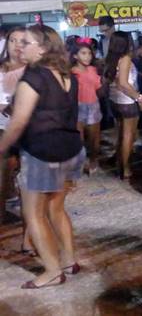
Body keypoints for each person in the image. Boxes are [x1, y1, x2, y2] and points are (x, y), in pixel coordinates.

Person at [0, 25, 84, 288]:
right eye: (18, 42)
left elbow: (18, 123)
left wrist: (1, 148)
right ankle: (69, 261)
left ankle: (52, 271)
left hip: (42, 152)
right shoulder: (66, 75)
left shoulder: (33, 78)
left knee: (33, 213)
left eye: (26, 42)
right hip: (70, 148)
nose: (20, 46)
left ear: (43, 48)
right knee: (56, 208)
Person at [104, 31, 142, 180]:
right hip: (127, 102)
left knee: (121, 134)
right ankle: (125, 168)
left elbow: (109, 80)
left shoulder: (111, 58)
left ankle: (120, 162)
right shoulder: (125, 58)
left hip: (115, 101)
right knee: (128, 135)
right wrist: (139, 97)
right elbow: (124, 83)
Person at [0, 28, 26, 226]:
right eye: (12, 40)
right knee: (4, 169)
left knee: (22, 171)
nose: (17, 45)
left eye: (22, 41)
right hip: (4, 127)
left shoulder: (32, 68)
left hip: (29, 128)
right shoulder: (2, 69)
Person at [70, 38, 102, 175]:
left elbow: (98, 88)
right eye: (83, 53)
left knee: (94, 139)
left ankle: (93, 160)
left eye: (89, 53)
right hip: (77, 107)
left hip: (93, 106)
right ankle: (80, 163)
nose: (87, 56)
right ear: (75, 56)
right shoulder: (71, 72)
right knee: (78, 140)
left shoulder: (93, 69)